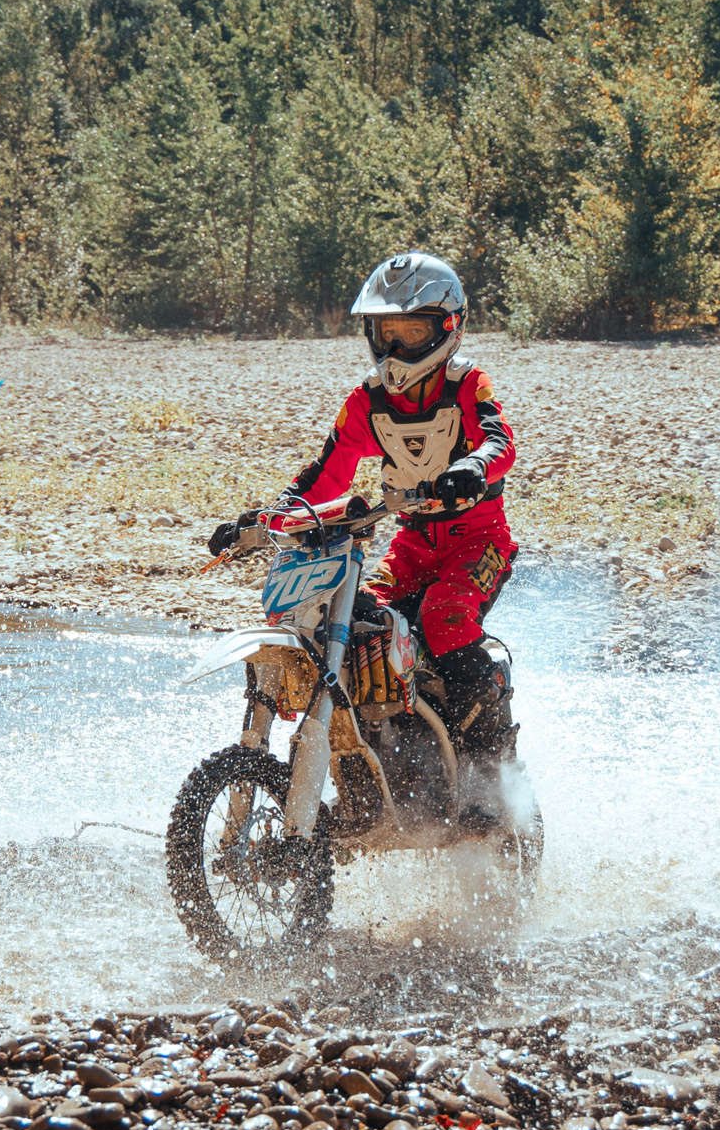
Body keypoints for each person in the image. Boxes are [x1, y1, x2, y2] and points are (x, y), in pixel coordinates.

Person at [208, 251, 521, 770]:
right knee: (347, 617)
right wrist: (266, 517)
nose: (396, 347)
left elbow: (499, 439)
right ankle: (382, 741)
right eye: (386, 331)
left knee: (443, 618)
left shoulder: (467, 384)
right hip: (410, 545)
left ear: (449, 327)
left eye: (411, 332)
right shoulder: (366, 402)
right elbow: (325, 474)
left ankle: (485, 765)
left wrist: (476, 466)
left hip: (478, 541)